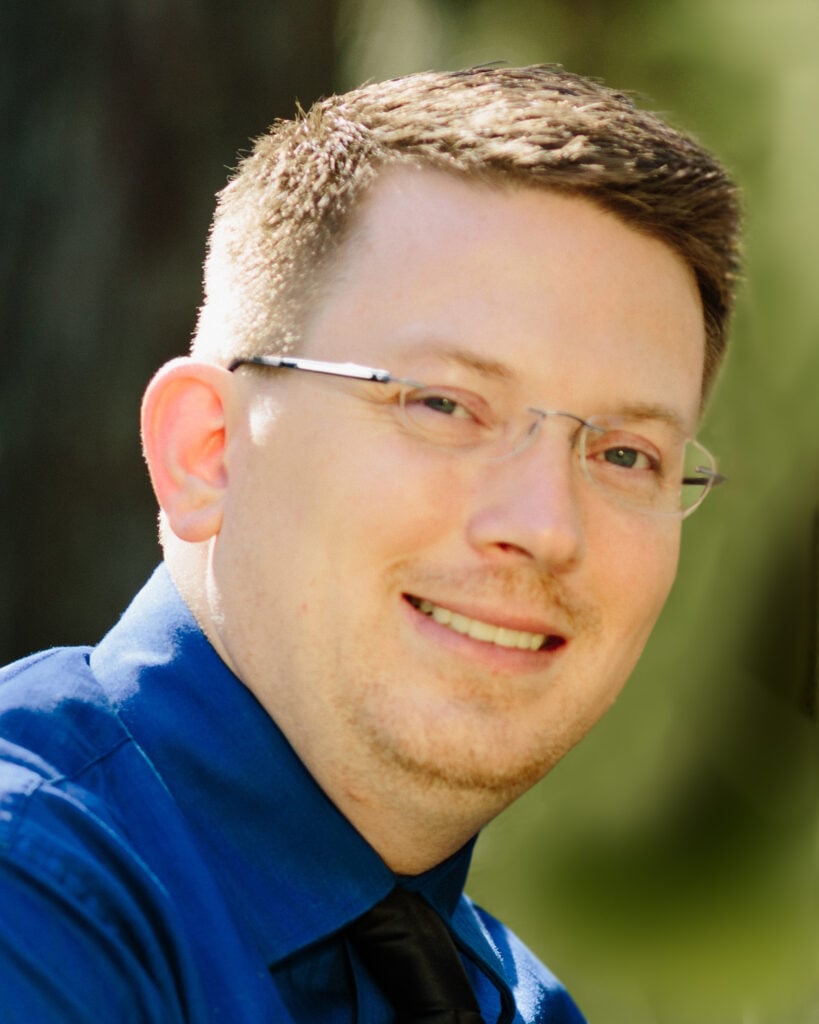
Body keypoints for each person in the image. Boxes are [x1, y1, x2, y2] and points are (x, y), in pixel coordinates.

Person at [0, 65, 740, 1023]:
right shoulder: (35, 890)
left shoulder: (518, 1003)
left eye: (627, 454)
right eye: (443, 404)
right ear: (207, 453)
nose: (547, 526)